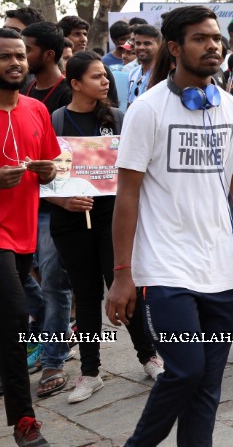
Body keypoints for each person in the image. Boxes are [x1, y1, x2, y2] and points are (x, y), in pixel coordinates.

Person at [105, 5, 233, 446]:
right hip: (165, 269)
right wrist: (122, 274)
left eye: (216, 38)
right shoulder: (147, 110)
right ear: (175, 48)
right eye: (201, 38)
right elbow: (126, 195)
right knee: (185, 370)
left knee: (208, 386)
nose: (213, 46)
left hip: (220, 269)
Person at [44, 52, 161, 403]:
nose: (105, 81)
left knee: (124, 287)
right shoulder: (56, 121)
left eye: (105, 76)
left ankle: (149, 355)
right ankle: (90, 372)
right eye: (95, 77)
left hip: (113, 218)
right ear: (75, 83)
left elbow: (137, 168)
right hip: (69, 221)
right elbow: (44, 175)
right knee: (87, 293)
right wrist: (62, 200)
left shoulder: (119, 119)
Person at [0, 27, 58, 447]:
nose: (15, 63)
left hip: (24, 234)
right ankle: (24, 420)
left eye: (20, 55)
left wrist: (48, 171)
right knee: (16, 316)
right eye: (5, 57)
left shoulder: (36, 110)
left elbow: (53, 163)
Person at [18, 22, 74, 399]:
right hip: (22, 205)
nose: (19, 58)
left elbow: (75, 156)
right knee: (19, 279)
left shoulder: (69, 91)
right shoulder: (20, 91)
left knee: (56, 285)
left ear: (47, 55)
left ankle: (53, 357)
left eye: (25, 51)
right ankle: (49, 333)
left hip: (58, 207)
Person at [127, 25, 161, 107]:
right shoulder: (133, 73)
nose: (141, 47)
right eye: (138, 43)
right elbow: (129, 103)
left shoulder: (163, 73)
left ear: (159, 45)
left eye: (147, 43)